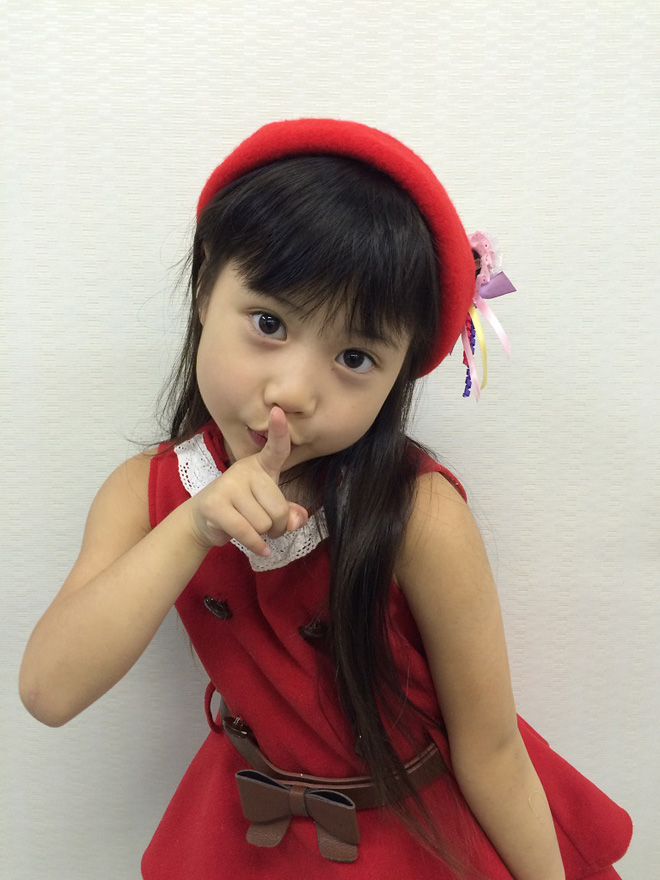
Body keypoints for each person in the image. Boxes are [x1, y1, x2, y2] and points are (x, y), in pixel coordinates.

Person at [19, 118, 632, 880]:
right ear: (205, 289)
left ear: (399, 375)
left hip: (415, 839)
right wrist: (193, 527)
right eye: (268, 323)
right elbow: (48, 690)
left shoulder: (418, 514)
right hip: (249, 836)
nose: (293, 393)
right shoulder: (145, 494)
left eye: (354, 357)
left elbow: (492, 749)